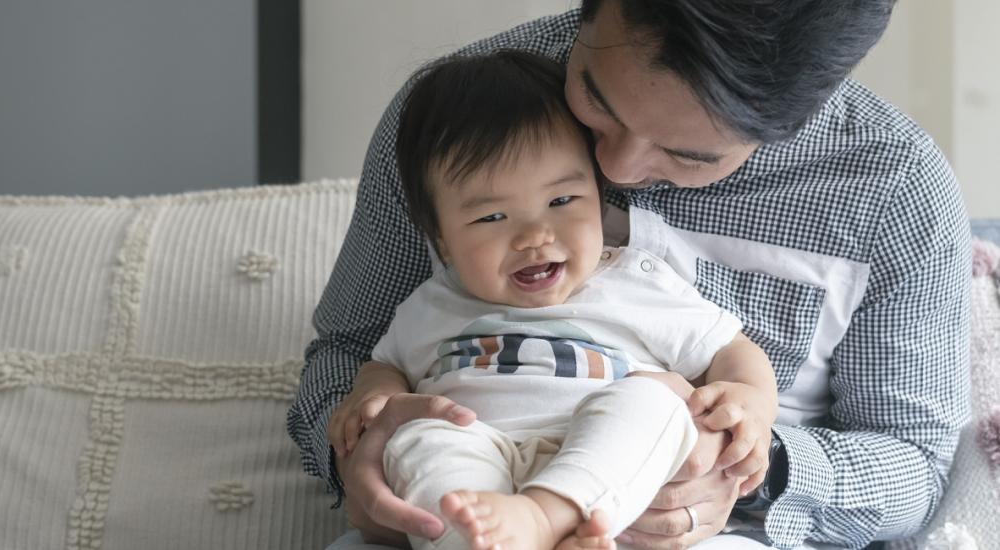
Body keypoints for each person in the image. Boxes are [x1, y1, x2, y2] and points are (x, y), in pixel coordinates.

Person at [288, 1, 972, 548]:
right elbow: (349, 351)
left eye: (690, 155)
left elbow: (916, 467)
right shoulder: (453, 121)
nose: (613, 170)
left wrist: (747, 473)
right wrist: (358, 458)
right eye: (596, 100)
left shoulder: (895, 190)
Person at [327, 50, 777, 550]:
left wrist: (750, 402)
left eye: (562, 202)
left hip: (605, 479)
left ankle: (548, 517)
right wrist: (371, 397)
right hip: (480, 473)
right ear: (441, 237)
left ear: (599, 196)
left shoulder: (637, 283)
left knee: (655, 402)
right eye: (491, 218)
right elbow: (382, 364)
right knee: (419, 436)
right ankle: (480, 540)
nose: (535, 237)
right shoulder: (430, 303)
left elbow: (729, 350)